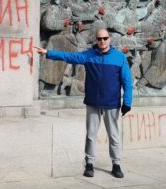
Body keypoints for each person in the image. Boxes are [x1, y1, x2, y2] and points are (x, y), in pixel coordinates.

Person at [34, 28, 133, 178]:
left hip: (111, 103)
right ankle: (89, 163)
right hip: (93, 102)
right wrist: (48, 53)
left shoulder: (119, 58)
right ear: (96, 40)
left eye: (105, 38)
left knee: (113, 135)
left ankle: (116, 164)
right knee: (91, 135)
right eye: (99, 39)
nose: (102, 41)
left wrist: (127, 102)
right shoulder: (89, 55)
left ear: (109, 39)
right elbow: (70, 56)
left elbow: (127, 81)